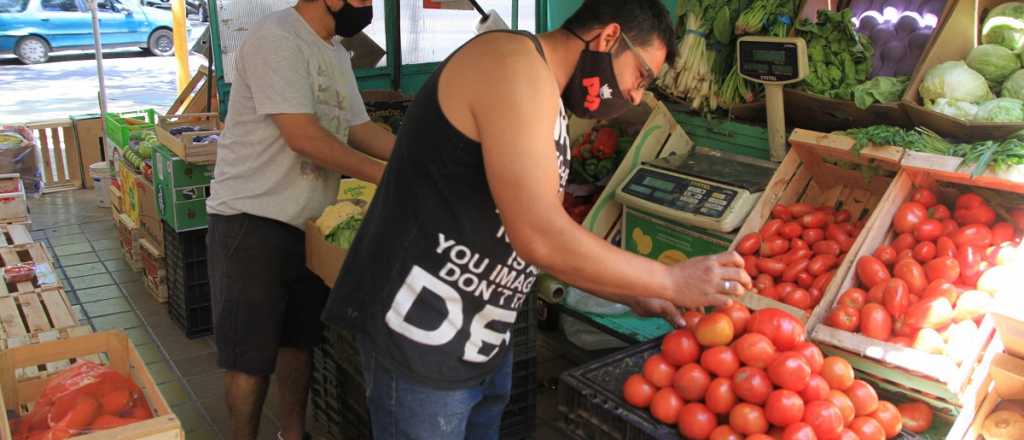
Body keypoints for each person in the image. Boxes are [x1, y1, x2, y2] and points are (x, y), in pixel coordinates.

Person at [322, 0, 753, 438]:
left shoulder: (546, 95)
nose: (636, 97)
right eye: (641, 76)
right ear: (608, 38)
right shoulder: (511, 65)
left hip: (480, 338)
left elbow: (535, 235)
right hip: (420, 339)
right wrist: (667, 279)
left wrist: (626, 289)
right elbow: (538, 235)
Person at [204, 1, 394, 439]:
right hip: (251, 218)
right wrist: (388, 178)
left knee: (298, 344)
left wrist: (414, 159)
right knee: (249, 358)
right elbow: (302, 136)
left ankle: (294, 435)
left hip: (309, 223)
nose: (369, 5)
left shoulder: (335, 52)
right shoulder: (277, 38)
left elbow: (358, 128)